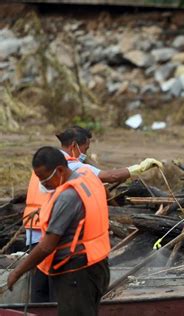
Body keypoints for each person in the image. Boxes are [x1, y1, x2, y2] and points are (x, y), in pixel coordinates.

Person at [22, 126, 162, 302]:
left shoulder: (46, 162)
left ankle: (38, 311)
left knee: (39, 285)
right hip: (52, 234)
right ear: (75, 145)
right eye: (85, 149)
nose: (85, 154)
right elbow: (110, 176)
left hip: (34, 229)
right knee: (53, 288)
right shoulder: (71, 167)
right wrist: (139, 168)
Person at [9, 147, 110, 316]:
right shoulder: (88, 179)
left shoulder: (68, 196)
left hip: (76, 272)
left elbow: (47, 246)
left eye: (44, 179)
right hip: (97, 264)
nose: (42, 184)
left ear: (60, 170)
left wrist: (17, 272)